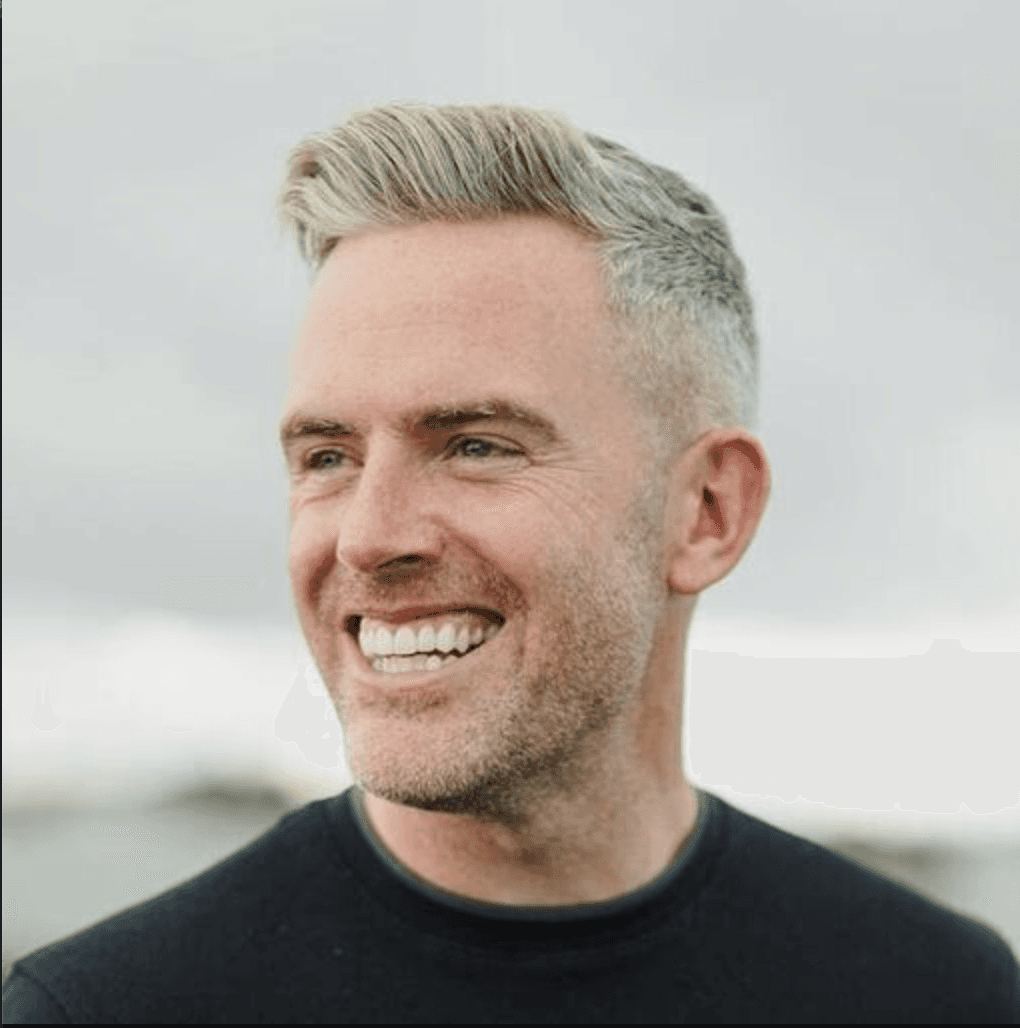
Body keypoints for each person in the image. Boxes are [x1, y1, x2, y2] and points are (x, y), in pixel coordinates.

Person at [4, 103, 1017, 1024]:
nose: (366, 534)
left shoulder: (939, 992)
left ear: (707, 510)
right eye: (327, 457)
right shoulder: (104, 1008)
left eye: (478, 444)